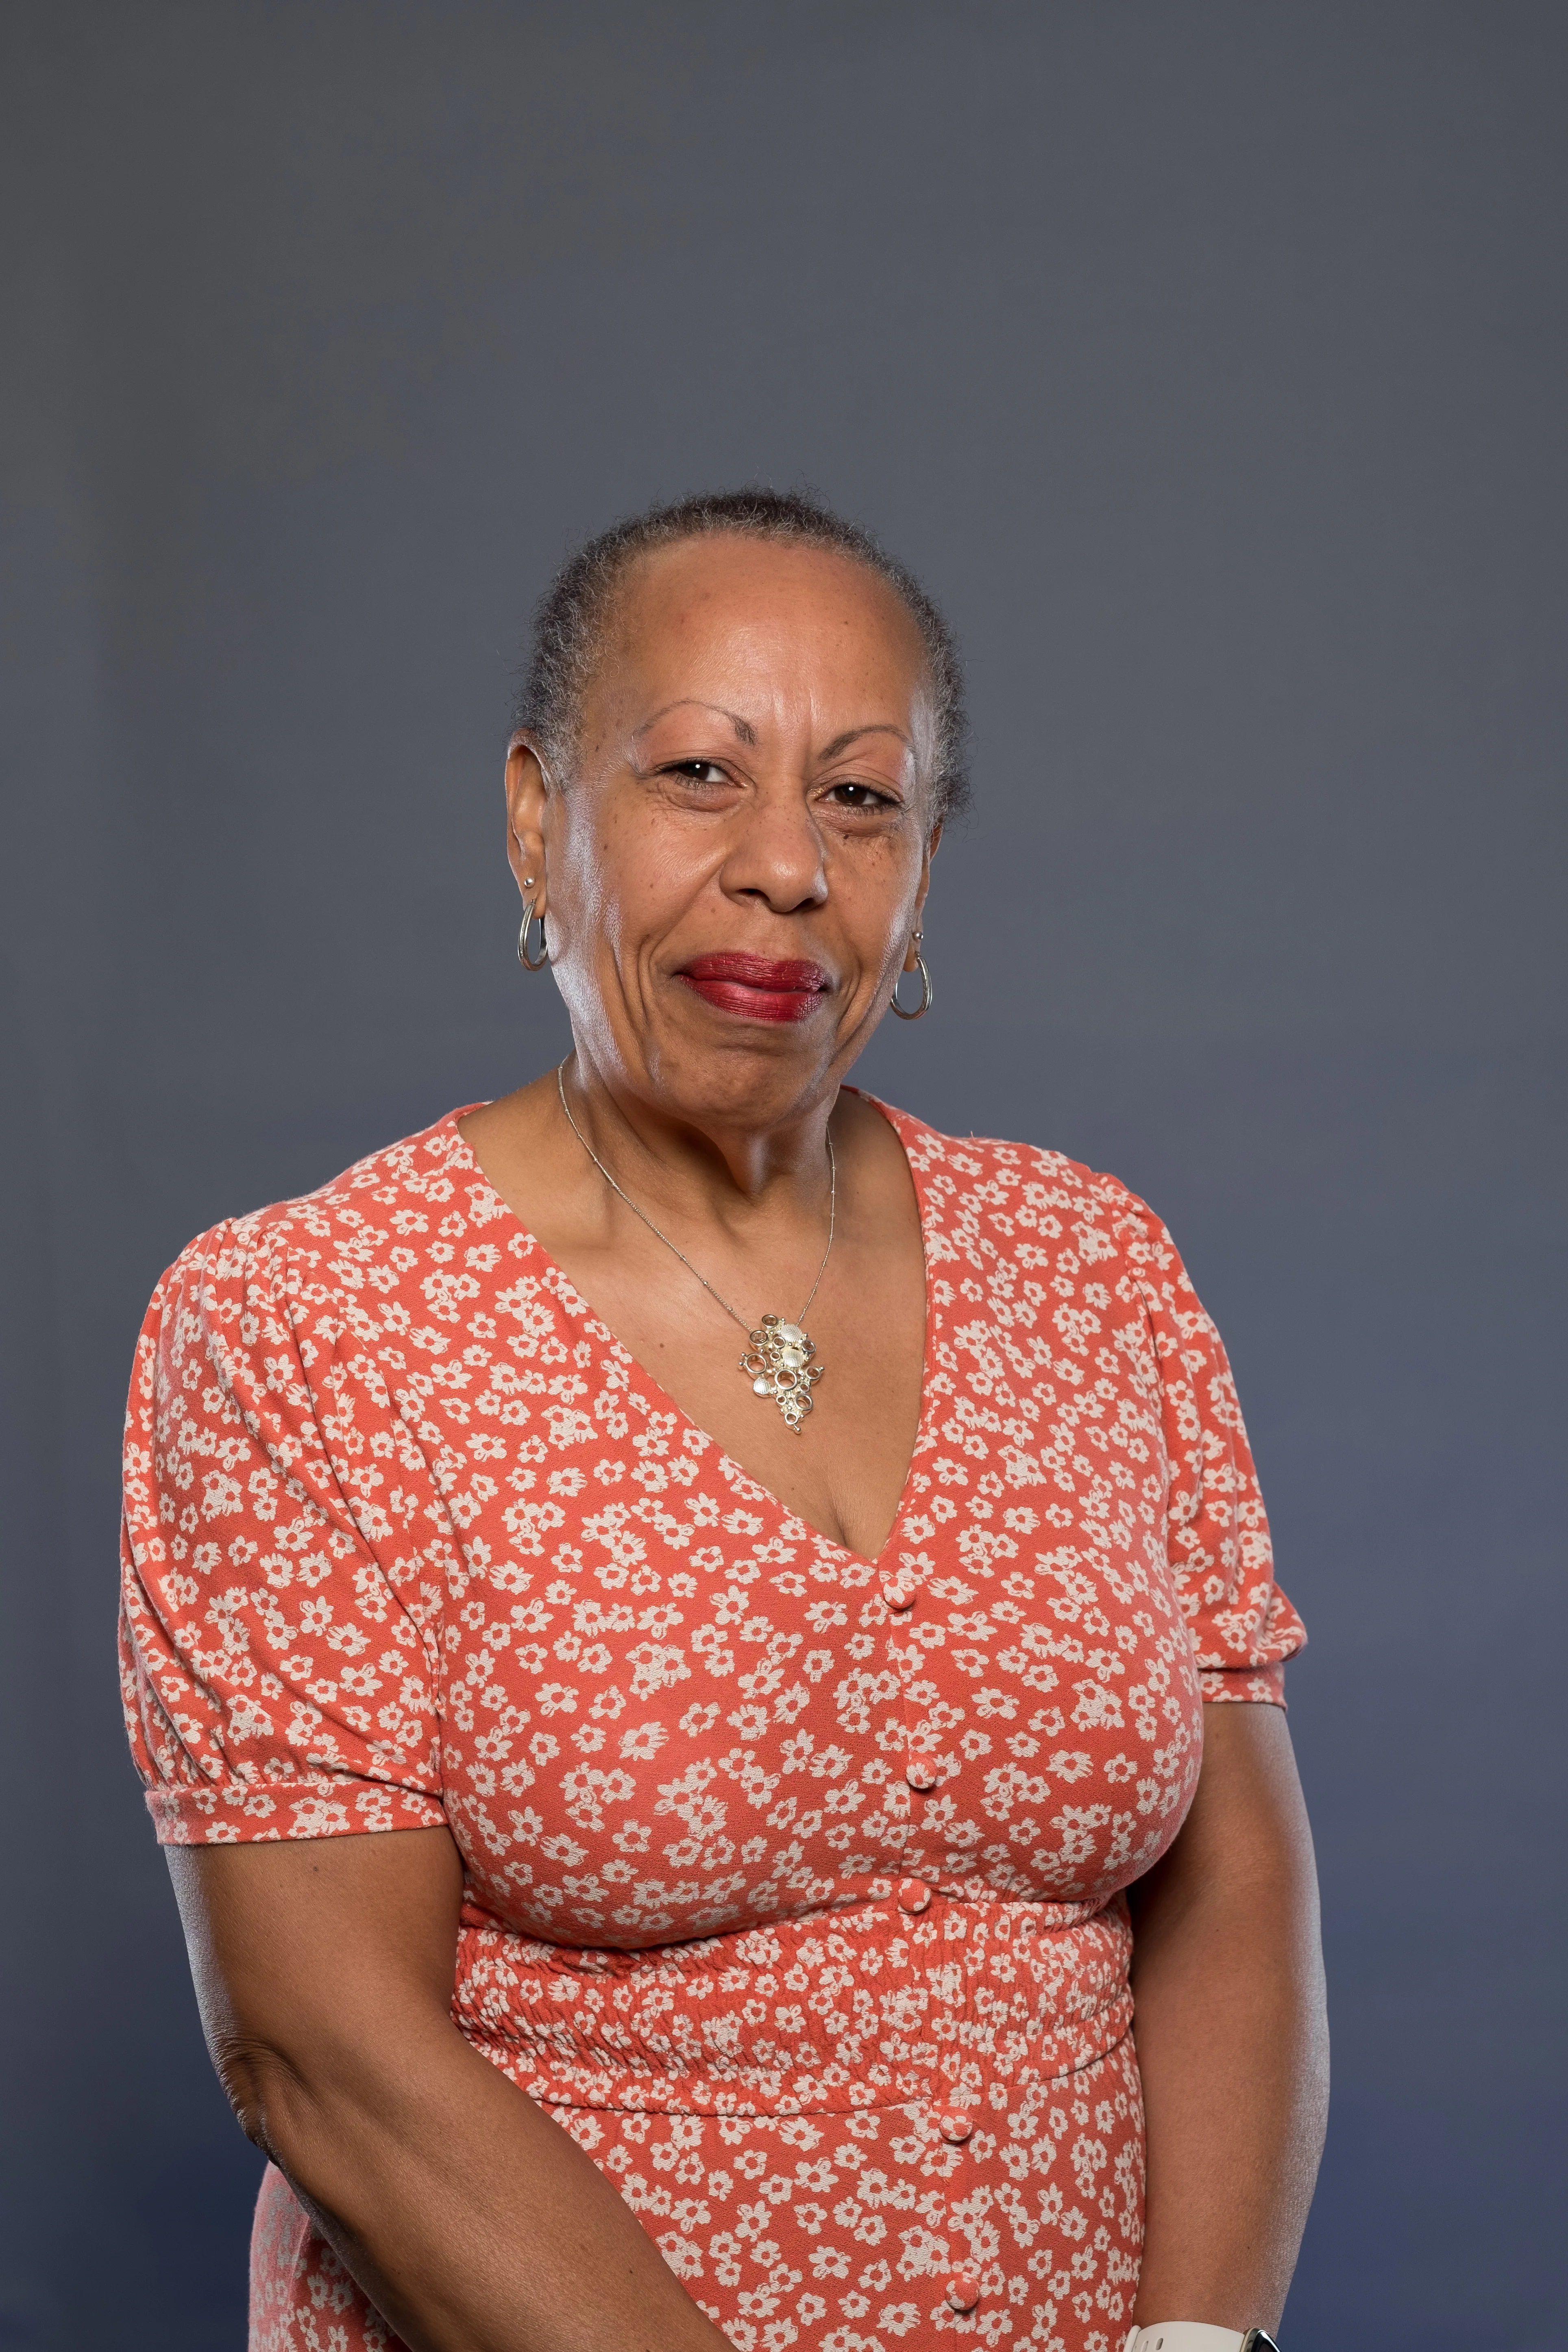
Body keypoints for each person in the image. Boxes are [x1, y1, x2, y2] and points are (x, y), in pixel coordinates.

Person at [120, 489, 1327, 2352]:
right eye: (698, 772)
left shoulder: (1094, 1263)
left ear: (925, 863)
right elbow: (319, 2048)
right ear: (539, 817)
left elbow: (1233, 1876)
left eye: (860, 796)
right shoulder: (311, 1322)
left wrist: (1197, 2345)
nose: (785, 867)